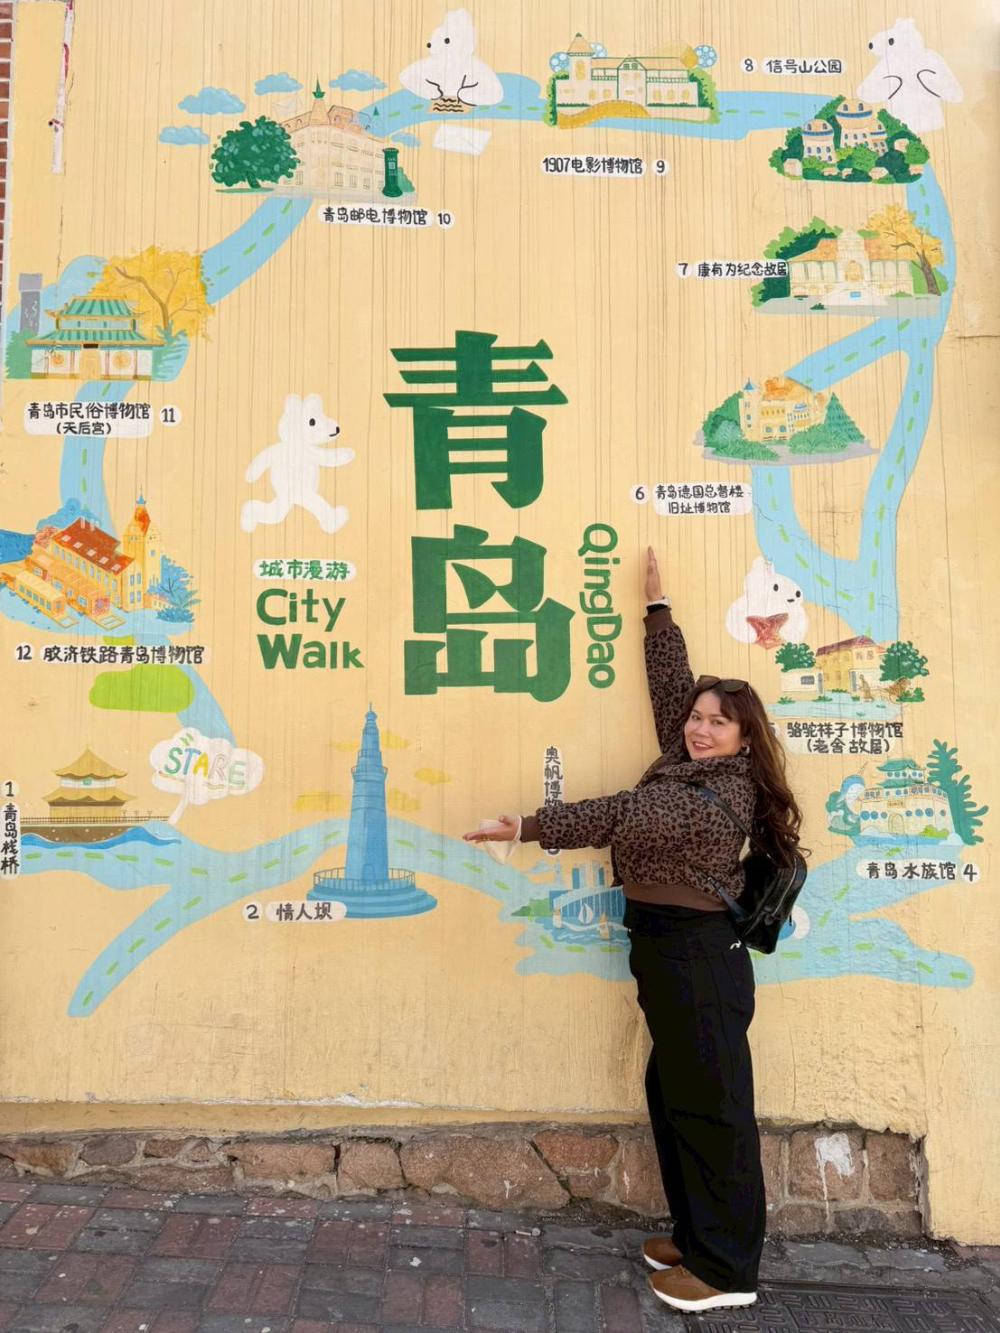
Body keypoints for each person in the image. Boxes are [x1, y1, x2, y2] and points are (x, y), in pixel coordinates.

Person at [464, 547, 804, 1314]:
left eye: (718, 722)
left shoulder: (713, 796)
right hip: (666, 948)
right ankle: (697, 1232)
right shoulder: (692, 762)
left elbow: (621, 813)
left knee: (711, 1104)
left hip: (697, 955)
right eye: (698, 719)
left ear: (746, 739)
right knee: (675, 1091)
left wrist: (529, 824)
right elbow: (672, 693)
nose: (700, 728)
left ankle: (725, 1270)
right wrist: (658, 614)